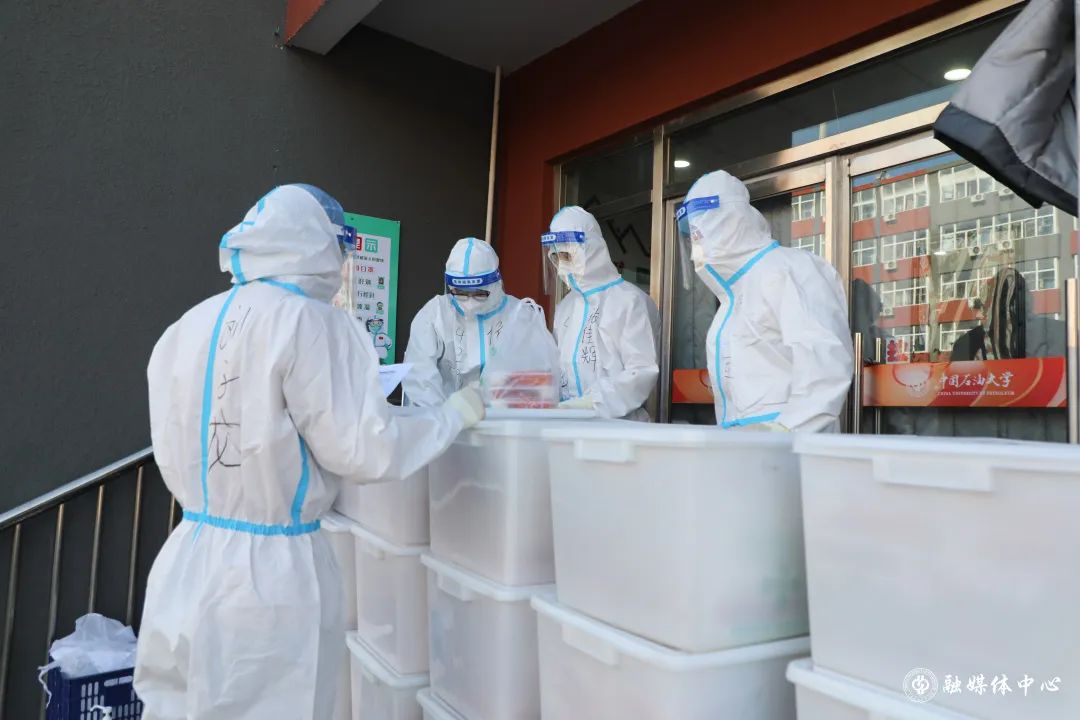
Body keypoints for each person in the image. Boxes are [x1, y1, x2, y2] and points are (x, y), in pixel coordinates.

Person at [134, 184, 485, 720]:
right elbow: (365, 449)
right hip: (272, 578)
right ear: (319, 244)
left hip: (186, 558)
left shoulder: (188, 325)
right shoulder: (309, 321)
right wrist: (451, 416)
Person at [679, 170, 852, 431]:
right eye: (693, 237)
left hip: (794, 443)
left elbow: (825, 362)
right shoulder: (733, 298)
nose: (696, 249)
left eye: (699, 234)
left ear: (730, 222)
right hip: (749, 444)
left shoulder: (788, 269)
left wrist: (785, 430)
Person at [543, 206, 660, 419]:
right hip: (568, 425)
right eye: (557, 258)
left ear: (591, 249)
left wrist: (590, 404)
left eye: (567, 256)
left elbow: (641, 372)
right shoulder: (565, 306)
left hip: (619, 428)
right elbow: (558, 366)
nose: (562, 266)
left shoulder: (629, 300)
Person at [403, 237, 522, 406]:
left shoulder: (521, 315)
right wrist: (444, 417)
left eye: (480, 294)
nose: (470, 304)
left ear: (496, 283)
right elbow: (420, 377)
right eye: (460, 293)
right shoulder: (434, 315)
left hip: (506, 419)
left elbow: (536, 376)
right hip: (446, 417)